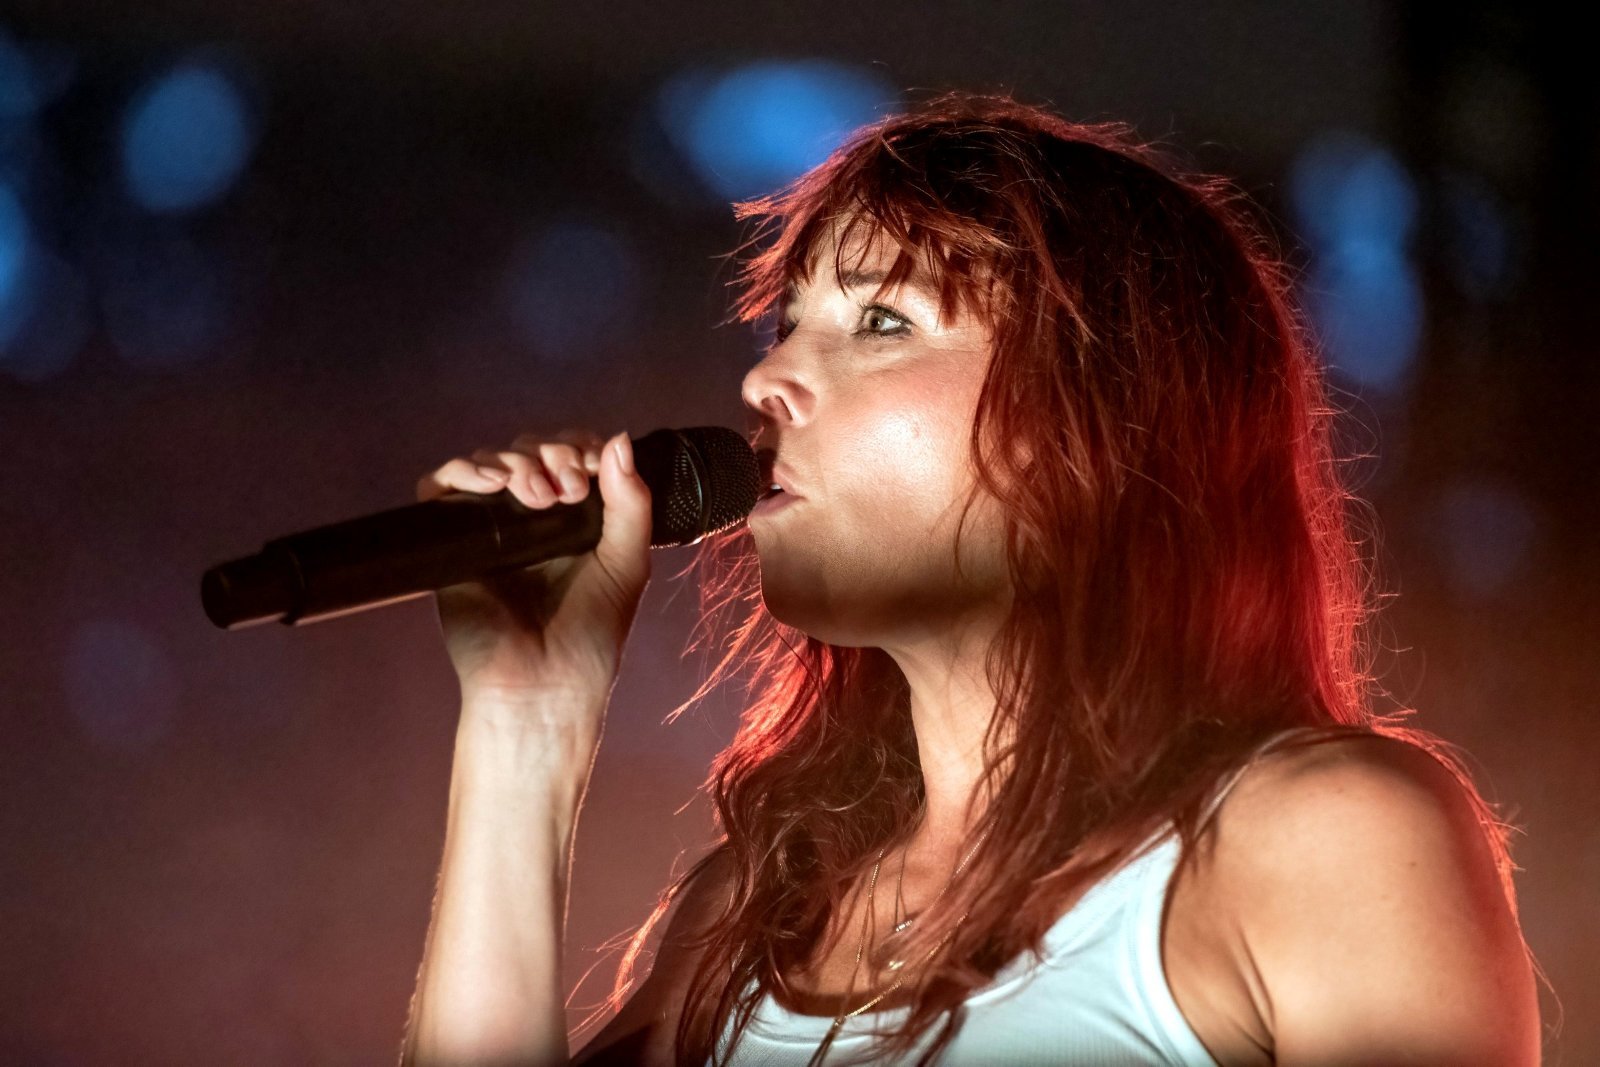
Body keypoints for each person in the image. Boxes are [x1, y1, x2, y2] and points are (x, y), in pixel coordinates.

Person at [398, 93, 1543, 1066]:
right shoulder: (755, 904)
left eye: (881, 319)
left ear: (1100, 419)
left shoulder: (1321, 834)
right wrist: (525, 726)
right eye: (785, 324)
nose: (768, 378)